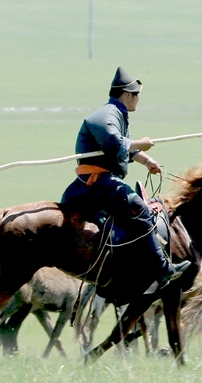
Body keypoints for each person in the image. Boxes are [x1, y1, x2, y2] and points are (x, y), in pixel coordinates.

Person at [60, 66, 190, 290]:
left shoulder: (117, 115)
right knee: (140, 208)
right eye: (137, 95)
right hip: (97, 182)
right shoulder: (106, 115)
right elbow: (114, 144)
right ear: (128, 95)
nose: (138, 100)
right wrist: (142, 143)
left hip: (102, 181)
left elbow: (128, 148)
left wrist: (147, 161)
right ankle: (163, 269)